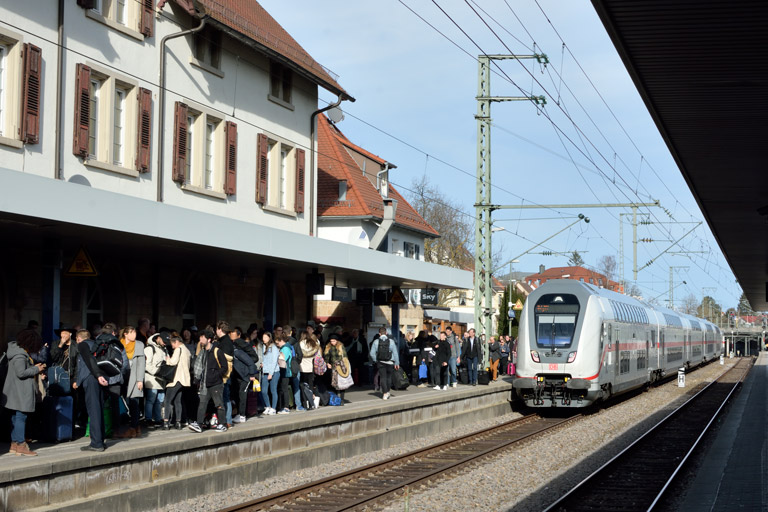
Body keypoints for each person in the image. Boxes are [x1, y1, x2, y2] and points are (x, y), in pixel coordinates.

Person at [2, 329, 46, 456]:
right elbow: (21, 373)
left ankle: (14, 444)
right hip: (20, 392)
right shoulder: (20, 356)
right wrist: (36, 369)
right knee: (21, 417)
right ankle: (21, 445)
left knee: (16, 418)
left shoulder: (16, 352)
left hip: (15, 391)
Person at [73, 329, 110, 451]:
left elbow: (89, 360)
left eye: (77, 340)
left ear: (79, 338)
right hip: (100, 379)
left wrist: (97, 375)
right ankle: (100, 440)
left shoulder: (83, 345)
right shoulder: (95, 344)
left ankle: (96, 443)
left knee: (93, 410)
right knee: (98, 408)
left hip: (92, 378)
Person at [188, 332, 228, 433]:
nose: (200, 340)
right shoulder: (203, 352)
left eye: (202, 338)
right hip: (205, 383)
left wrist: (215, 375)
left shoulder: (217, 351)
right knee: (202, 404)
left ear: (209, 339)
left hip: (216, 383)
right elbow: (199, 366)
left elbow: (225, 367)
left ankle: (223, 424)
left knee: (219, 404)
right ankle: (199, 424)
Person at [116, 326, 145, 438]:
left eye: (135, 332)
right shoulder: (119, 344)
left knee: (134, 403)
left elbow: (141, 363)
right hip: (122, 376)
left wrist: (139, 380)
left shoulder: (139, 345)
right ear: (126, 334)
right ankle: (136, 427)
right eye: (132, 333)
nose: (134, 335)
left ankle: (133, 428)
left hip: (134, 377)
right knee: (126, 401)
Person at [163, 335, 191, 430]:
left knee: (167, 400)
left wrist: (168, 359)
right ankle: (178, 422)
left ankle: (166, 422)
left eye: (172, 344)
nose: (172, 347)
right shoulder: (187, 350)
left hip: (176, 379)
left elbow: (173, 362)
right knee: (177, 401)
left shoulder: (178, 349)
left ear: (176, 342)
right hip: (183, 380)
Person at [144, 332, 168, 429]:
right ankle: (149, 419)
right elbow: (146, 364)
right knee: (151, 400)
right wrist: (156, 371)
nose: (165, 343)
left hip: (161, 379)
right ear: (158, 338)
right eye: (163, 341)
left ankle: (158, 419)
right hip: (152, 378)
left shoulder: (163, 350)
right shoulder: (149, 349)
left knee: (159, 401)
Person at [369, 327, 400, 400]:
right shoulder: (391, 341)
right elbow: (395, 353)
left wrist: (376, 360)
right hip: (390, 362)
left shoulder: (376, 342)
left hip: (380, 362)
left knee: (382, 377)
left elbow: (372, 353)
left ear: (379, 334)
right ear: (386, 333)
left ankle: (385, 393)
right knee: (388, 377)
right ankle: (388, 391)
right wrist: (397, 363)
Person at [324, 334, 349, 403]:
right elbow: (326, 356)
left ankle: (342, 399)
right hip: (333, 368)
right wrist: (327, 363)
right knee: (334, 384)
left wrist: (345, 367)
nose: (332, 342)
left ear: (337, 341)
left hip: (340, 367)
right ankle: (335, 398)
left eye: (334, 341)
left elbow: (345, 357)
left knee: (342, 384)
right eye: (331, 341)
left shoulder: (341, 346)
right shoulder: (328, 347)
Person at [298, 331, 320, 410]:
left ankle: (304, 403)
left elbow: (299, 354)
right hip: (310, 368)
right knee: (310, 387)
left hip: (302, 368)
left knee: (303, 386)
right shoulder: (313, 344)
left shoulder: (300, 343)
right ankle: (311, 404)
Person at [259, 332, 280, 415]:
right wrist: (263, 364)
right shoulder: (264, 346)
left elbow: (274, 361)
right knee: (263, 390)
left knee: (273, 390)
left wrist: (271, 373)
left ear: (269, 338)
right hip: (265, 371)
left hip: (274, 371)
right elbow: (265, 358)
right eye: (263, 337)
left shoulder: (274, 347)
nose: (263, 339)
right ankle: (268, 406)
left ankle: (274, 408)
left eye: (265, 337)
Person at [276, 335, 293, 414]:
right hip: (284, 371)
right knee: (283, 389)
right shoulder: (286, 347)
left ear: (281, 340)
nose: (277, 344)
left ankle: (286, 407)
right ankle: (284, 406)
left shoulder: (285, 348)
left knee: (285, 389)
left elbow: (283, 359)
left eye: (277, 342)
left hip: (285, 371)